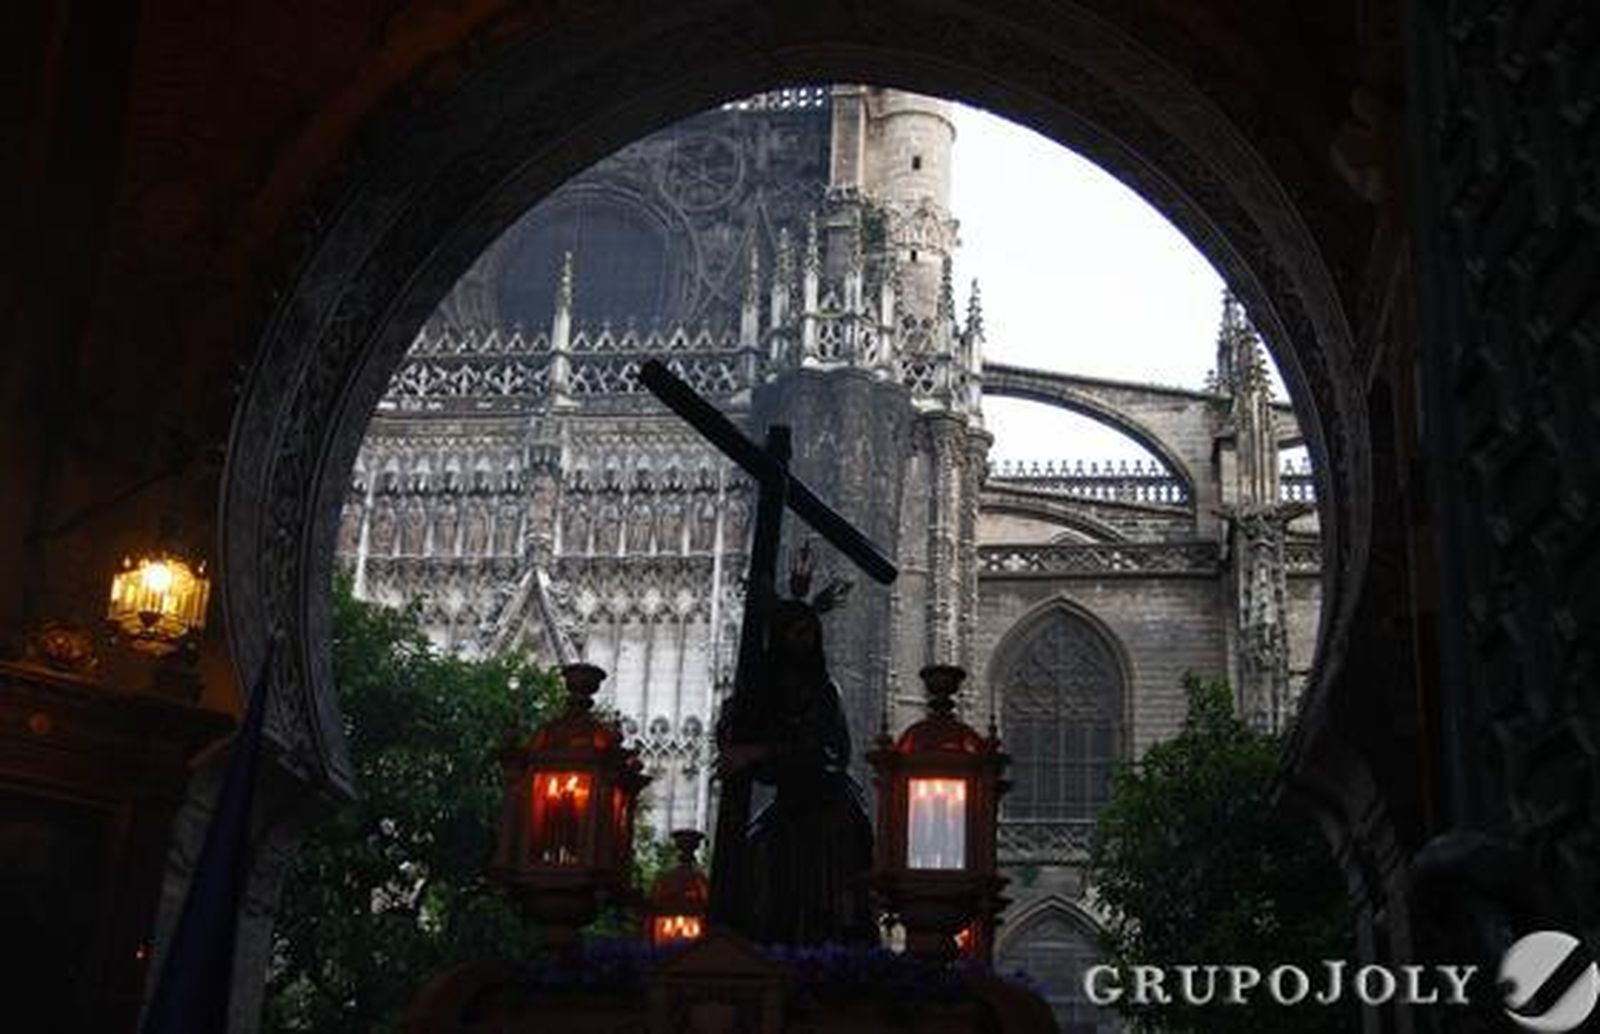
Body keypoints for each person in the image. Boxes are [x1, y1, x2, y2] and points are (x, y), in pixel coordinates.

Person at [716, 552, 876, 945]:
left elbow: (830, 755)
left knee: (818, 898)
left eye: (811, 633)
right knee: (755, 866)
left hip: (828, 813)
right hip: (791, 808)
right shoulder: (767, 693)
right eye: (797, 632)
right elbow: (742, 743)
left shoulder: (824, 692)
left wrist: (757, 753)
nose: (805, 642)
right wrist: (733, 724)